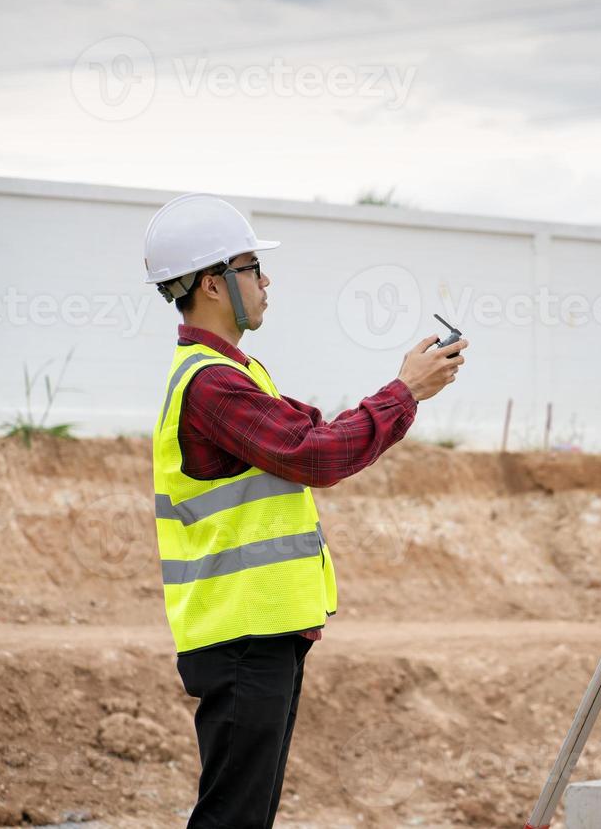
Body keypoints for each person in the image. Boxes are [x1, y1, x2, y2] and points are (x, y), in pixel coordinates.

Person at [142, 193, 466, 828]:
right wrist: (406, 392)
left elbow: (317, 437)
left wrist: (404, 389)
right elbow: (320, 456)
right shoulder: (213, 385)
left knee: (246, 813)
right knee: (233, 817)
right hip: (242, 632)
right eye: (252, 269)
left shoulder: (235, 374)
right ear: (213, 284)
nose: (266, 283)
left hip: (260, 630)